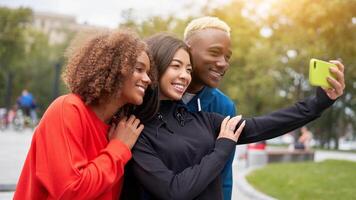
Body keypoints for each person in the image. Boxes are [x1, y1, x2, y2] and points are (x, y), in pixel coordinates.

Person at [122, 33, 345, 200]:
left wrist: (319, 102)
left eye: (189, 69)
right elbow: (174, 191)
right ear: (157, 68)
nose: (184, 76)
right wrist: (222, 148)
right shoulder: (134, 130)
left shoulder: (201, 119)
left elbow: (263, 126)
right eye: (176, 66)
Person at [182, 16, 346, 199]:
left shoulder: (223, 106)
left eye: (227, 56)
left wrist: (319, 103)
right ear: (187, 50)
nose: (223, 63)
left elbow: (224, 173)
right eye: (214, 53)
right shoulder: (154, 95)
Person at [14, 29, 156, 200]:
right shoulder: (67, 109)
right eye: (139, 69)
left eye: (148, 73)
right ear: (113, 68)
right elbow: (70, 191)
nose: (147, 79)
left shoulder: (119, 127)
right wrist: (119, 148)